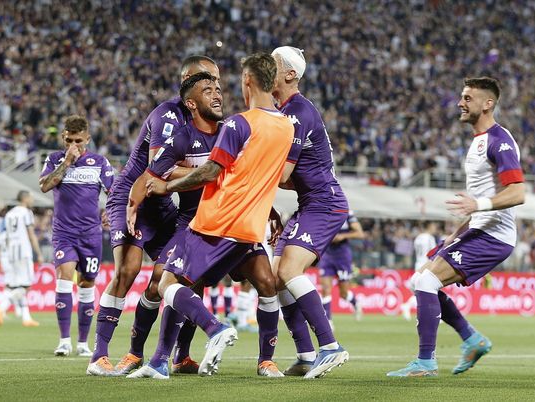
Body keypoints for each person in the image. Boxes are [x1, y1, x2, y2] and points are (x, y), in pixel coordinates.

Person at [134, 53, 293, 378]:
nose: (219, 91)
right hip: (243, 225)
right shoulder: (280, 126)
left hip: (214, 220)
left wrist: (166, 187)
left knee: (170, 283)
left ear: (246, 81)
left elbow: (213, 172)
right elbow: (261, 174)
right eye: (210, 87)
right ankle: (262, 361)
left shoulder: (236, 124)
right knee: (263, 282)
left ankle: (214, 333)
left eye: (220, 85)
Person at [86, 56, 220, 376]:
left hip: (161, 205)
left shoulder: (210, 119)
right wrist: (214, 169)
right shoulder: (168, 116)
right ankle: (100, 356)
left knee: (181, 277)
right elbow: (158, 170)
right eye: (207, 80)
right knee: (128, 270)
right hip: (132, 195)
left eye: (217, 81)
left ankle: (180, 355)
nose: (215, 87)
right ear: (188, 81)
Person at [387, 77, 525, 377]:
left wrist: (478, 207)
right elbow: (481, 197)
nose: (460, 103)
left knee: (426, 283)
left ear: (487, 104)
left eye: (467, 98)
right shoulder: (478, 142)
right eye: (461, 97)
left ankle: (426, 363)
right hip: (476, 228)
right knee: (418, 281)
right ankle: (472, 340)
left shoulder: (498, 140)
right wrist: (459, 230)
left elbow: (518, 193)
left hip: (493, 235)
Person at [270, 46, 349, 378]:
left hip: (325, 204)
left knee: (288, 271)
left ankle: (330, 346)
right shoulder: (287, 111)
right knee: (274, 277)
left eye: (271, 65)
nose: (265, 70)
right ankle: (305, 354)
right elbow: (291, 179)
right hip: (310, 202)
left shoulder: (297, 112)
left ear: (290, 74)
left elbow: (283, 175)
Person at [39, 115, 114, 357]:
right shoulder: (54, 160)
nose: (74, 145)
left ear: (87, 138)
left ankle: (82, 343)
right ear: (63, 137)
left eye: (79, 140)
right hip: (64, 233)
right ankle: (64, 340)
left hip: (91, 234)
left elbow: (116, 191)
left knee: (87, 285)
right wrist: (67, 162)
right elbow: (45, 185)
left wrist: (110, 212)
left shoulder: (99, 162)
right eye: (69, 140)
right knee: (64, 276)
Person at [0, 190, 44, 327]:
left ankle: (26, 318)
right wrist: (38, 253)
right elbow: (31, 234)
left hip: (12, 252)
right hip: (24, 251)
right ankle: (2, 306)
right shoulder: (26, 213)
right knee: (26, 286)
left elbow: (8, 235)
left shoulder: (9, 214)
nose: (32, 199)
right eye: (31, 197)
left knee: (16, 285)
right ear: (25, 198)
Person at [318, 210, 365, 327]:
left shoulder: (346, 212)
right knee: (325, 289)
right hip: (326, 255)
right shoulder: (321, 210)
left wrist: (343, 236)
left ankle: (355, 303)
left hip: (342, 257)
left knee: (343, 293)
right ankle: (328, 322)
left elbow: (360, 233)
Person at [401, 221, 440, 321]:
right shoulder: (430, 238)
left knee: (422, 290)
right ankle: (436, 315)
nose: (435, 228)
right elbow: (434, 253)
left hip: (418, 264)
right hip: (426, 265)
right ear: (429, 226)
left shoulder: (418, 238)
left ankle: (435, 314)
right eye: (434, 226)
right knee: (428, 290)